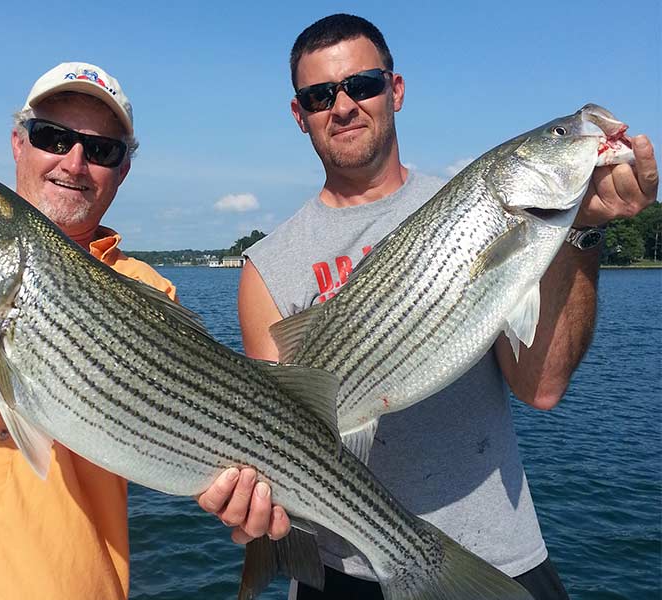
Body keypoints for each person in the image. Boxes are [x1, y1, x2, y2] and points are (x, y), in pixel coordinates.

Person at [236, 14, 658, 600]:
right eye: (319, 95)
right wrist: (252, 511)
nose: (344, 105)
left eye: (363, 85)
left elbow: (541, 389)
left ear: (396, 89)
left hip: (499, 559)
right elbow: (278, 439)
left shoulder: (467, 202)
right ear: (299, 113)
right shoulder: (267, 267)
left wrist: (580, 233)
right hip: (342, 573)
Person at [0, 61, 287, 600]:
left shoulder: (152, 296)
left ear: (123, 170)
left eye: (102, 149)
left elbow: (192, 441)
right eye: (52, 137)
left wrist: (243, 493)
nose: (74, 162)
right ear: (18, 143)